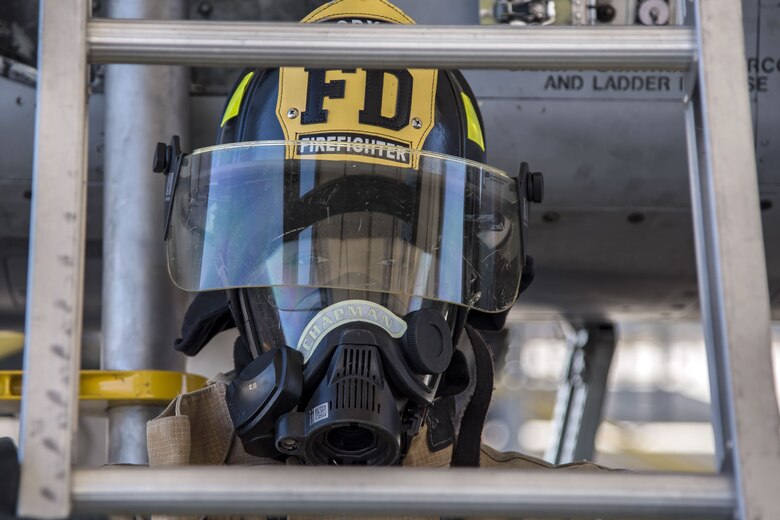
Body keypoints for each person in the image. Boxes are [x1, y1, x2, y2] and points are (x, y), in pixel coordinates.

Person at [150, 0, 610, 483]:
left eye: (393, 267)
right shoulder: (142, 502)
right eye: (310, 268)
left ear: (456, 303)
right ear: (246, 293)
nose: (352, 330)